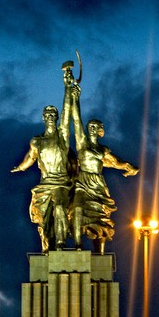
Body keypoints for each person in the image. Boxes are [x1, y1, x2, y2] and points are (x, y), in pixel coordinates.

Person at [70, 85, 139, 254]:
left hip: (98, 183)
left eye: (96, 126)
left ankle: (99, 251)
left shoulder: (103, 150)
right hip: (83, 182)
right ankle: (78, 245)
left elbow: (116, 162)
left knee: (101, 218)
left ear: (101, 131)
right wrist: (75, 98)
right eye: (90, 126)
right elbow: (77, 120)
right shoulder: (82, 144)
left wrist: (130, 167)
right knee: (77, 208)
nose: (92, 128)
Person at [11, 73, 76, 253]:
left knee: (61, 209)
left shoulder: (62, 137)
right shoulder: (36, 141)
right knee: (45, 219)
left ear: (55, 118)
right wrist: (20, 167)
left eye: (52, 114)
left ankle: (61, 243)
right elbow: (30, 158)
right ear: (43, 117)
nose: (50, 116)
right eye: (47, 114)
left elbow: (67, 113)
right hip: (45, 184)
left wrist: (67, 87)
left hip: (61, 183)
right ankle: (50, 246)